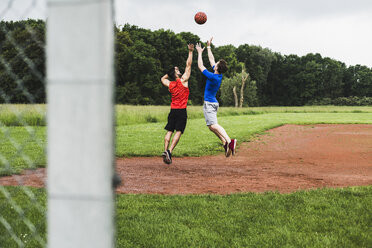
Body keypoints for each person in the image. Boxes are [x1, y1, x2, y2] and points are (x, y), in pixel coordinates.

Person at [196, 38, 237, 157]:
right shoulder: (218, 75)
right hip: (212, 103)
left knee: (213, 125)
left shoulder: (213, 77)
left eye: (217, 64)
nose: (215, 64)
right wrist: (208, 47)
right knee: (211, 127)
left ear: (217, 68)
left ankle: (230, 141)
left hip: (210, 104)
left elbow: (200, 65)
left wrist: (199, 53)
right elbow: (211, 59)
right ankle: (224, 142)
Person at [160, 44, 194, 164]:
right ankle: (169, 151)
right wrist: (190, 52)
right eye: (177, 70)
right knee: (178, 131)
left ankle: (165, 150)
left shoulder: (170, 84)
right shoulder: (183, 80)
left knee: (169, 131)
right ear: (176, 74)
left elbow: (162, 79)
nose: (179, 70)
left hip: (173, 110)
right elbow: (188, 65)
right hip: (181, 111)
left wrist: (170, 73)